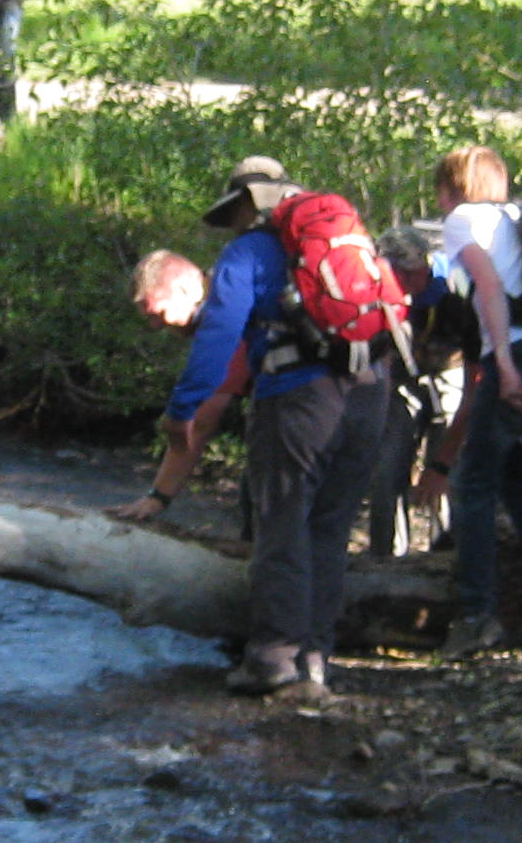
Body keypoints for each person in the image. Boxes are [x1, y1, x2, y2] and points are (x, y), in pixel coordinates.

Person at [113, 158, 393, 697]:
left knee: (282, 527)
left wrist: (180, 411)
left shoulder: (245, 253)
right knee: (330, 532)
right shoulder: (349, 240)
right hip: (370, 389)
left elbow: (217, 340)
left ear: (246, 206)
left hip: (299, 398)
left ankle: (272, 661)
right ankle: (315, 661)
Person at [411, 146, 522, 659]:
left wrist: (502, 364)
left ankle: (477, 616)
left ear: (451, 189)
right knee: (521, 481)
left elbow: (489, 286)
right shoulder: (517, 219)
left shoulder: (463, 220)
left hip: (517, 356)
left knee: (473, 484)